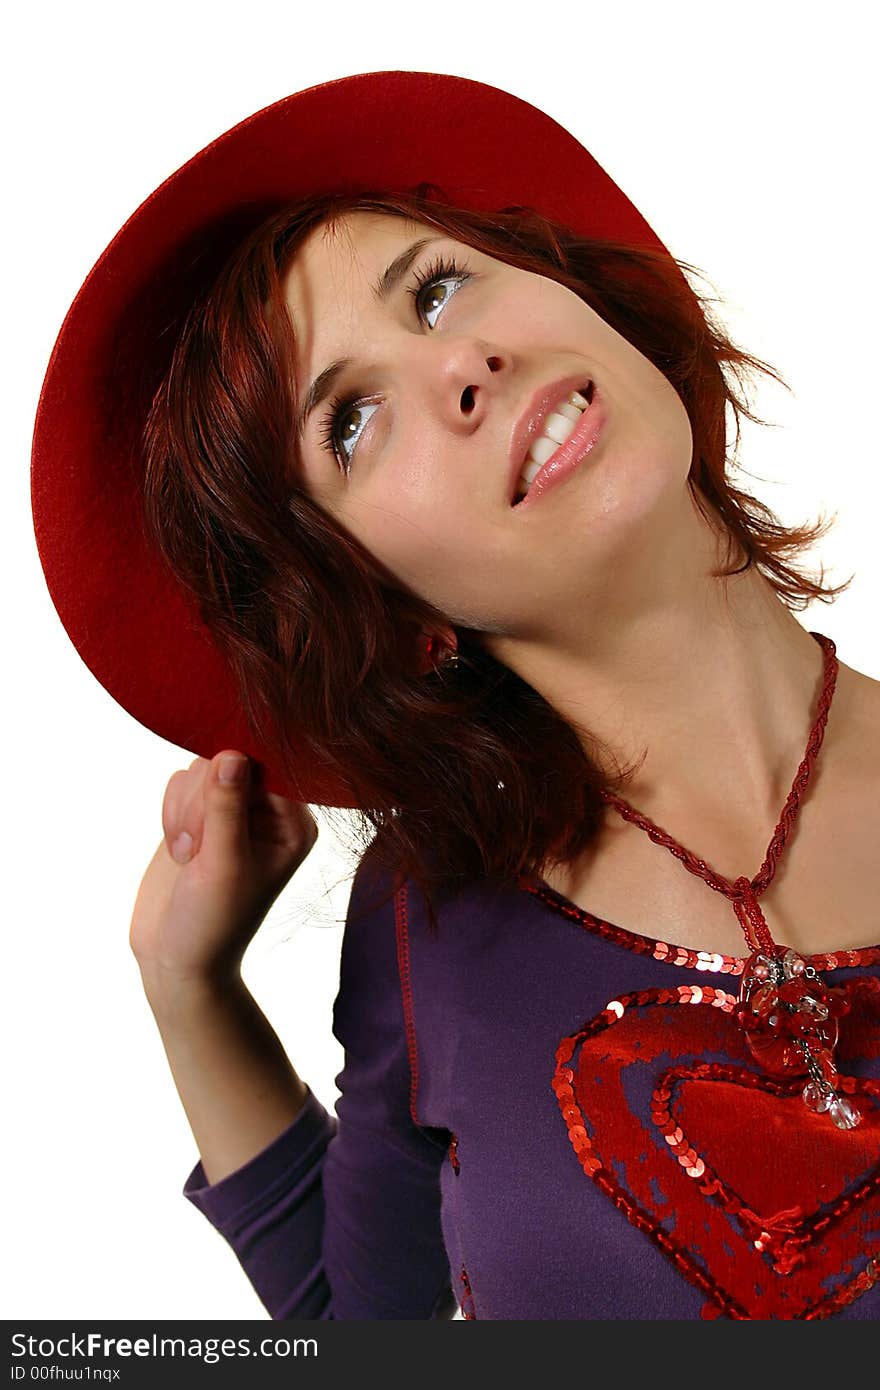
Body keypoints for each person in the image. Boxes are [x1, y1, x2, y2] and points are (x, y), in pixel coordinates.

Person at [31, 72, 880, 1321]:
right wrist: (190, 993)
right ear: (381, 604)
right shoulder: (426, 931)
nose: (463, 364)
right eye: (355, 422)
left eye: (436, 289)